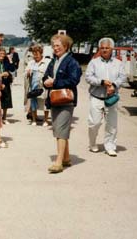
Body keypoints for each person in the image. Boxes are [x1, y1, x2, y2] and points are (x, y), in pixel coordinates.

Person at [43, 34, 82, 173]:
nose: (55, 48)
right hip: (54, 99)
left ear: (66, 46)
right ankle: (66, 158)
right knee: (59, 129)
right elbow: (45, 76)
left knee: (61, 129)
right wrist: (46, 82)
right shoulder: (54, 61)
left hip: (66, 100)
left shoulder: (72, 62)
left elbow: (74, 80)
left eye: (58, 45)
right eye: (53, 46)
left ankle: (58, 162)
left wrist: (54, 82)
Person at [85, 38, 126, 156]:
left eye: (107, 48)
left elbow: (122, 77)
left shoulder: (118, 63)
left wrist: (114, 85)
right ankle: (92, 143)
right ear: (99, 49)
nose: (104, 50)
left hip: (112, 98)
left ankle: (110, 146)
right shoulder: (94, 62)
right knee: (94, 123)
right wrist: (101, 82)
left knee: (112, 124)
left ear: (111, 49)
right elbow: (88, 77)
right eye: (102, 48)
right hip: (96, 97)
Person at [25, 44, 51, 126]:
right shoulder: (31, 62)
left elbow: (50, 73)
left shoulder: (47, 62)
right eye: (34, 54)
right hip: (33, 85)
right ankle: (34, 120)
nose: (35, 56)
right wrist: (28, 72)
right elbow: (25, 73)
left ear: (41, 53)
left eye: (37, 53)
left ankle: (46, 120)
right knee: (33, 102)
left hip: (43, 86)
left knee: (45, 103)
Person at [0, 48, 15, 124]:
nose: (2, 55)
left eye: (3, 54)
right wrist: (2, 74)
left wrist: (11, 61)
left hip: (6, 82)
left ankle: (4, 117)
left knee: (6, 100)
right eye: (0, 53)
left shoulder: (6, 61)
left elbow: (12, 69)